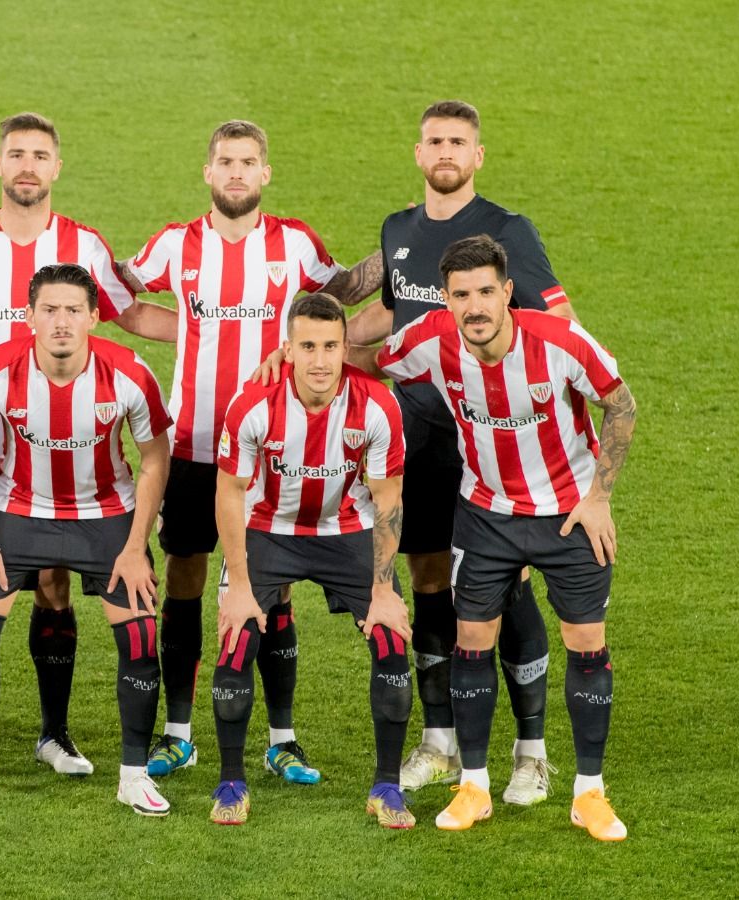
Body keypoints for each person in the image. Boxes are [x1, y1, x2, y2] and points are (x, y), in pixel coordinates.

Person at [0, 111, 176, 776]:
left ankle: (55, 732)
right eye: (15, 153)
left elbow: (127, 312)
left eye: (39, 154)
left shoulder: (83, 243)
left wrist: (214, 335)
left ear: (56, 167)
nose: (27, 165)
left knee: (54, 586)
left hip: (68, 449)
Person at [123, 119, 381, 782]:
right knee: (185, 579)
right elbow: (119, 299)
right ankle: (177, 733)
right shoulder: (176, 246)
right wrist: (188, 333)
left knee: (273, 588)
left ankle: (282, 739)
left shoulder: (294, 243)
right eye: (225, 162)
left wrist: (404, 246)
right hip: (193, 445)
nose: (236, 173)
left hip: (274, 452)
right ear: (208, 173)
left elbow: (343, 293)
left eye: (248, 162)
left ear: (265, 174)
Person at [369, 235, 635, 841]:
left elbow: (621, 405)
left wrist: (599, 498)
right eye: (461, 295)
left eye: (486, 291)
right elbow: (366, 357)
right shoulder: (429, 340)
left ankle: (588, 795)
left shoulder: (561, 343)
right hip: (485, 515)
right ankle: (475, 787)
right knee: (471, 641)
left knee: (587, 643)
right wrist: (297, 357)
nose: (475, 307)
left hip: (568, 514)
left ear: (508, 292)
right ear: (445, 299)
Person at [354, 100, 582, 802]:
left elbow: (555, 321)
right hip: (416, 437)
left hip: (490, 442)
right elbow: (391, 315)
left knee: (501, 589)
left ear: (477, 155)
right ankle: (441, 741)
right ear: (418, 153)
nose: (445, 151)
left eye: (458, 141)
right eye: (434, 141)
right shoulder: (399, 230)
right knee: (428, 580)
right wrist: (320, 346)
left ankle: (531, 752)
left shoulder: (508, 230)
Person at [0, 263, 173, 815]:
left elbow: (154, 459)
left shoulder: (129, 374)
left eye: (74, 310)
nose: (61, 322)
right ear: (29, 315)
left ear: (95, 317)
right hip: (20, 509)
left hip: (107, 516)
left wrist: (134, 545)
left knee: (142, 636)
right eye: (49, 309)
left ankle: (134, 775)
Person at [211, 294, 414, 828]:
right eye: (307, 347)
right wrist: (237, 584)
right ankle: (231, 781)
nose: (320, 361)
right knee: (236, 638)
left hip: (346, 530)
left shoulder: (376, 406)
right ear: (288, 349)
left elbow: (387, 499)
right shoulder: (252, 404)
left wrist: (384, 588)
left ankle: (387, 787)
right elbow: (230, 494)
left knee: (391, 638)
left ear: (346, 347)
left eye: (330, 346)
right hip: (267, 530)